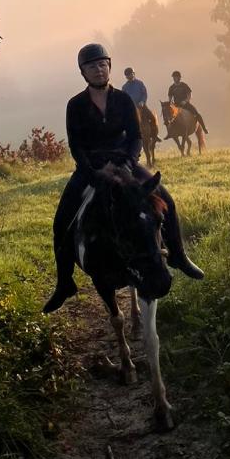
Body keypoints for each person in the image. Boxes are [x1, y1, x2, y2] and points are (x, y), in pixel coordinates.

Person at [43, 43, 204, 314]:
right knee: (62, 219)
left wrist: (128, 163)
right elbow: (76, 145)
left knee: (165, 198)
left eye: (102, 64)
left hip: (124, 162)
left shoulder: (124, 100)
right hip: (92, 167)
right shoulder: (76, 105)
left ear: (109, 66)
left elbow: (136, 136)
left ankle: (178, 255)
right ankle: (64, 283)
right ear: (83, 72)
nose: (98, 69)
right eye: (92, 66)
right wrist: (91, 173)